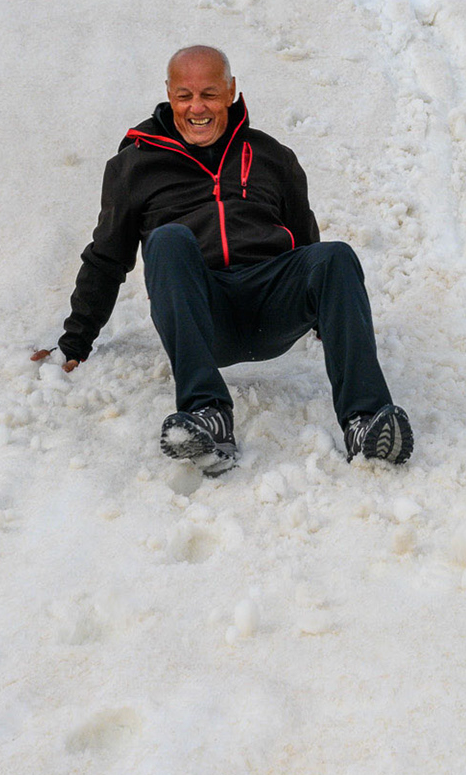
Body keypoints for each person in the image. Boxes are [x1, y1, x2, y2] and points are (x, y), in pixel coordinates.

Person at [33, 45, 412, 476]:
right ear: (168, 94)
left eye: (210, 94)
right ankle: (207, 416)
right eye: (184, 95)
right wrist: (76, 340)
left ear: (231, 92)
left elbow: (307, 245)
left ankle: (365, 422)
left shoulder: (273, 157)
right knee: (169, 240)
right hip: (202, 312)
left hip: (271, 308)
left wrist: (331, 321)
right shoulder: (134, 166)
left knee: (335, 256)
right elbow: (106, 257)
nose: (197, 107)